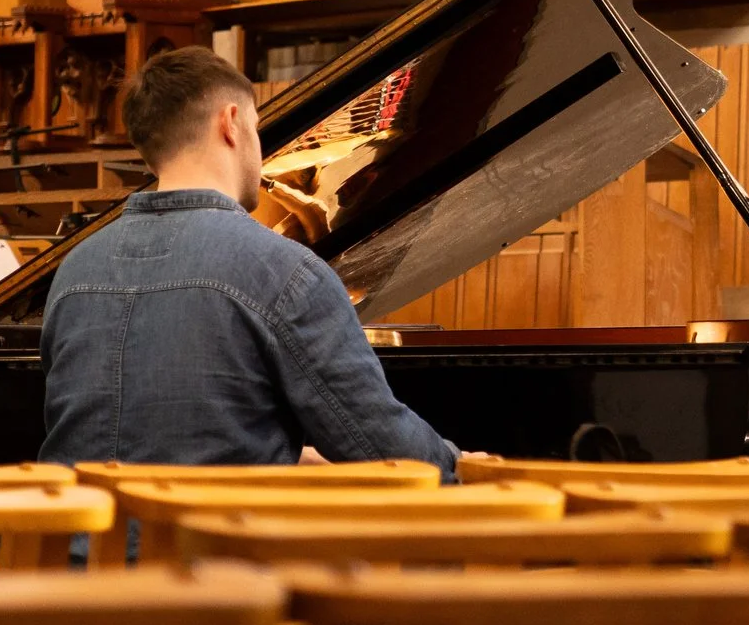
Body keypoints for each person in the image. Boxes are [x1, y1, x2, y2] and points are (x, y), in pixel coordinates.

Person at [41, 46, 456, 474]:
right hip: (217, 539)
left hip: (76, 538)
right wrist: (458, 466)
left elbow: (154, 446)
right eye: (257, 130)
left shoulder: (74, 270)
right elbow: (380, 447)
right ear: (231, 122)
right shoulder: (286, 272)